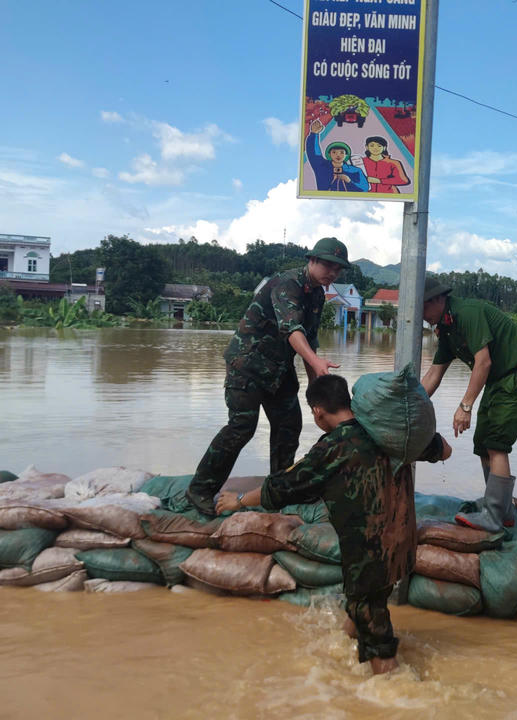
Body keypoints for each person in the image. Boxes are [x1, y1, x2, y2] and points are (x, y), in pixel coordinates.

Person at [217, 374, 453, 674]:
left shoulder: (332, 448)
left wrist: (237, 501)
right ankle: (339, 653)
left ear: (317, 412)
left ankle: (394, 692)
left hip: (368, 554)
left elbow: (281, 487)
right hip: (402, 544)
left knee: (376, 637)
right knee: (364, 606)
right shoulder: (389, 432)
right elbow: (444, 450)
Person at [184, 237, 352, 517]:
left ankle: (279, 490)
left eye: (338, 268)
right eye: (327, 265)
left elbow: (309, 340)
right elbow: (292, 330)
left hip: (279, 369)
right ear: (311, 260)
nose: (332, 273)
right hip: (247, 364)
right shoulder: (287, 284)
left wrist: (315, 385)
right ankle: (199, 489)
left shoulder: (317, 295)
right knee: (242, 427)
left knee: (289, 426)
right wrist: (313, 360)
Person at [419, 277, 517, 531]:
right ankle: (502, 510)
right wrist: (409, 404)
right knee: (483, 445)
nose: (421, 315)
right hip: (498, 382)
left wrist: (465, 406)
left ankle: (493, 518)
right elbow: (433, 375)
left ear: (439, 300)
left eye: (423, 307)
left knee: (496, 445)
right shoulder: (447, 330)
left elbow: (483, 362)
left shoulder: (466, 314)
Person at [305, 120, 368, 192]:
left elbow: (364, 188)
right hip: (324, 201)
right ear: (329, 154)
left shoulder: (355, 171)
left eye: (341, 152)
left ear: (346, 155)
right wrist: (314, 134)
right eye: (334, 152)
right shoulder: (322, 167)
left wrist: (349, 181)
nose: (338, 155)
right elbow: (313, 154)